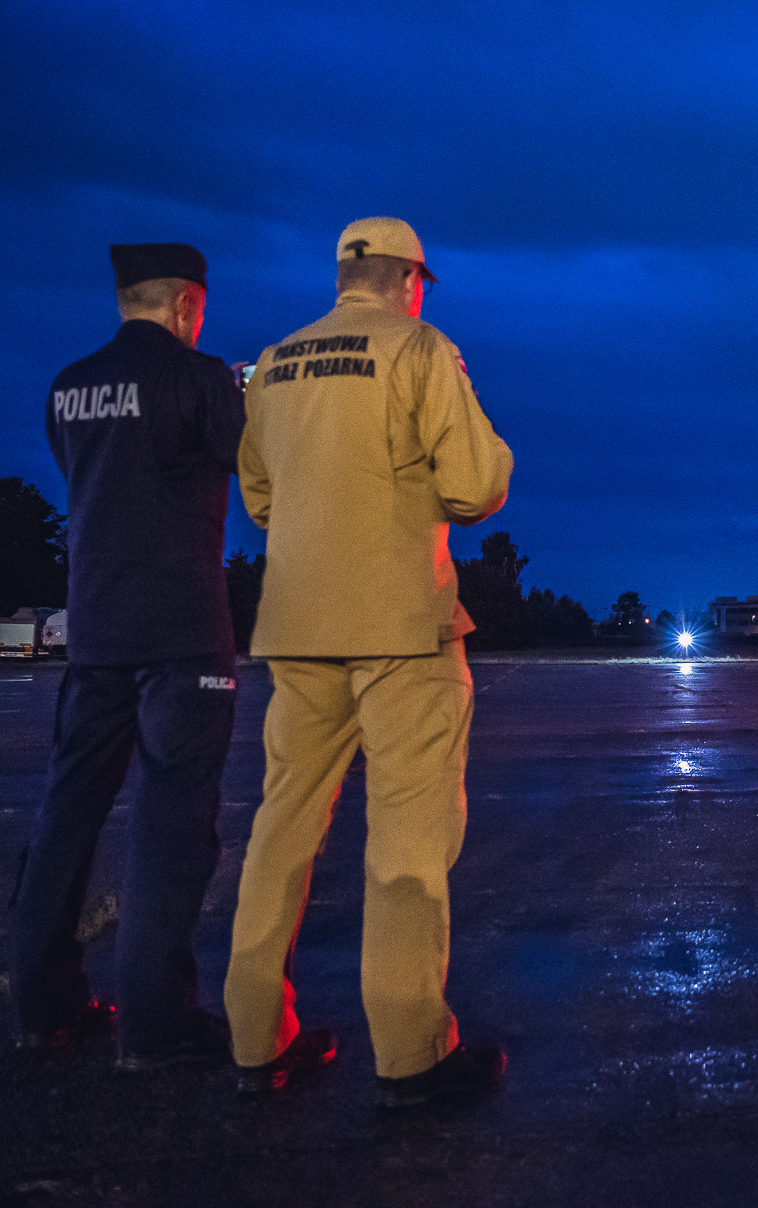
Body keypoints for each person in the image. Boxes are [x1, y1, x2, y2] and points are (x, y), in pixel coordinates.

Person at [225, 217, 513, 1107]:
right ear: (408, 279)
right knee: (407, 842)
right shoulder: (420, 348)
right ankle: (410, 1047)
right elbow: (475, 484)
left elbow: (261, 496)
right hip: (399, 627)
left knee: (281, 828)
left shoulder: (273, 362)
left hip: (298, 628)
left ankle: (253, 1035)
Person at [12, 243, 244, 1071]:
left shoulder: (68, 387)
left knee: (67, 812)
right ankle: (154, 1023)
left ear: (124, 300)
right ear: (189, 305)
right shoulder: (199, 376)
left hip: (96, 626)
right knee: (172, 824)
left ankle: (39, 1002)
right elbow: (250, 460)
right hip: (182, 632)